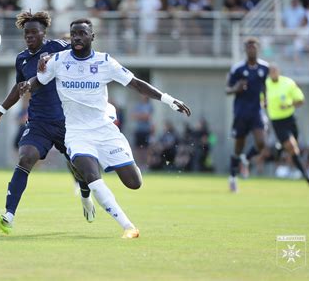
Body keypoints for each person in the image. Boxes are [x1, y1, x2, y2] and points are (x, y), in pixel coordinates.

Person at [22, 18, 191, 238]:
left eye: (82, 33)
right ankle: (128, 226)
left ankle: (85, 172)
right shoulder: (58, 61)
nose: (77, 38)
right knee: (92, 175)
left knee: (134, 183)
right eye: (74, 34)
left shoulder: (105, 62)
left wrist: (168, 100)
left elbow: (136, 83)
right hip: (76, 133)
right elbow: (39, 80)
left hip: (104, 130)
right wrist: (28, 84)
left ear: (92, 37)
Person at [0, 11, 92, 235]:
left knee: (82, 168)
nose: (29, 36)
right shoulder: (22, 59)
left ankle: (85, 194)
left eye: (34, 32)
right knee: (26, 157)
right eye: (26, 33)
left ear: (44, 34)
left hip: (67, 121)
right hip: (39, 122)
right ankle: (8, 216)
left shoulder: (59, 48)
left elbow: (80, 45)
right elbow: (19, 87)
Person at [226, 37, 269, 192]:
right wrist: (236, 88)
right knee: (238, 147)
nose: (252, 49)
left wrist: (266, 100)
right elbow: (227, 89)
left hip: (256, 112)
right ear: (245, 49)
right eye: (249, 47)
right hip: (241, 113)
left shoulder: (265, 68)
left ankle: (246, 159)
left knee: (262, 143)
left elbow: (266, 86)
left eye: (254, 47)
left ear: (258, 49)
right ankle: (232, 178)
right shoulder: (237, 68)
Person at [265, 64, 309, 185]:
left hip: (290, 119)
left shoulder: (288, 83)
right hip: (277, 121)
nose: (273, 73)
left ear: (278, 71)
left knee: (294, 148)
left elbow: (301, 100)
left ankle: (280, 148)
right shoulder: (265, 84)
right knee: (292, 147)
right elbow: (261, 100)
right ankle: (305, 175)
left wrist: (289, 105)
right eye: (271, 71)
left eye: (275, 70)